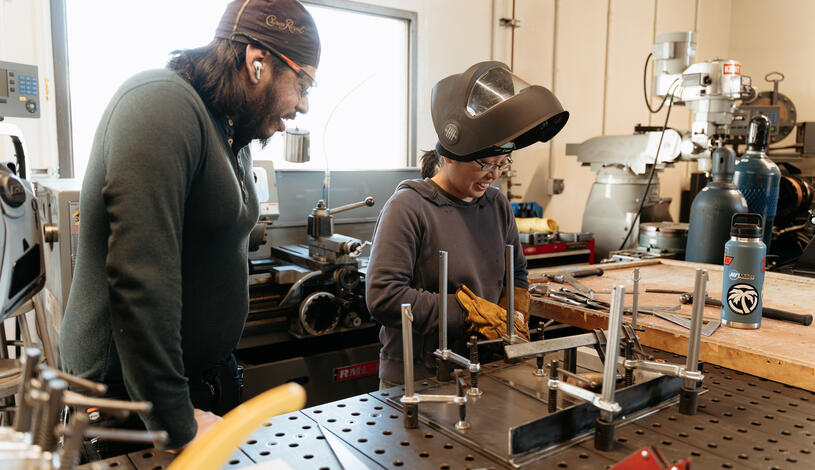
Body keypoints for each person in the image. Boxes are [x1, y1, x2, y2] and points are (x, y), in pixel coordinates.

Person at [59, 0, 320, 457]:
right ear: (257, 62)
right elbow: (140, 279)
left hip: (199, 384)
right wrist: (174, 419)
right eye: (303, 82)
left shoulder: (230, 129)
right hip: (127, 407)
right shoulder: (160, 104)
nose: (303, 104)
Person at [366, 61, 569, 387]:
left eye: (503, 164)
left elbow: (515, 274)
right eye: (484, 164)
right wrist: (469, 314)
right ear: (448, 155)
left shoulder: (497, 205)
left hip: (484, 369)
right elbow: (384, 298)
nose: (494, 174)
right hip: (419, 379)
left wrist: (512, 316)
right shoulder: (408, 207)